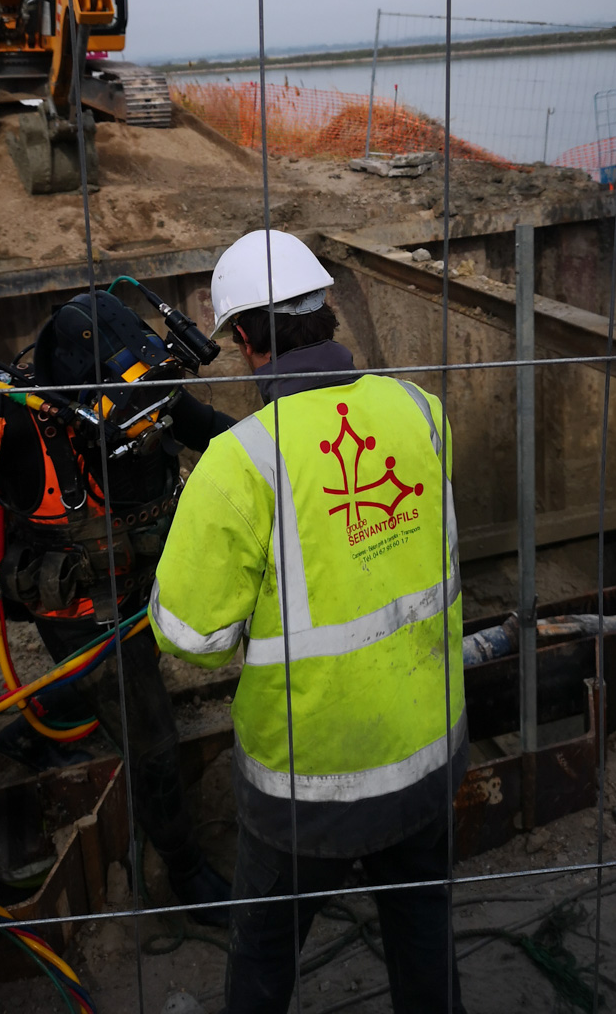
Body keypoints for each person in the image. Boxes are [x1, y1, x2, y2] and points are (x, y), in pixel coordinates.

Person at [150, 230, 468, 1013]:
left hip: (310, 783)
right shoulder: (419, 411)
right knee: (423, 932)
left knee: (262, 958)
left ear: (245, 339)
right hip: (429, 753)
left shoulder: (240, 461)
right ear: (327, 307)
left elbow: (192, 638)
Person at [0, 289, 235, 923]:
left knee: (113, 684)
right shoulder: (13, 421)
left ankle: (33, 730)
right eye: (122, 409)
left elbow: (228, 443)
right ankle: (183, 870)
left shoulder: (147, 396)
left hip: (144, 587)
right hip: (74, 607)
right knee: (153, 734)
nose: (140, 418)